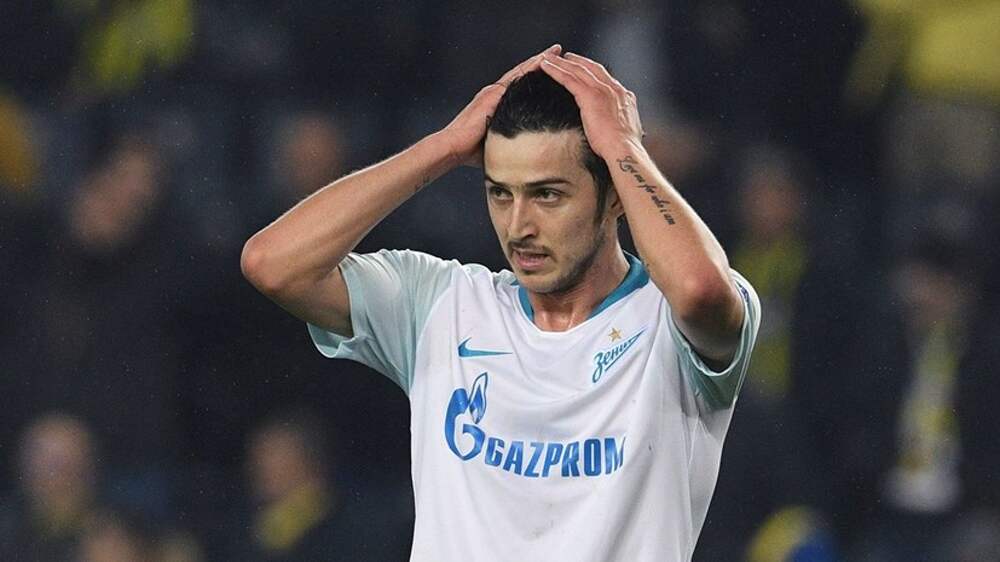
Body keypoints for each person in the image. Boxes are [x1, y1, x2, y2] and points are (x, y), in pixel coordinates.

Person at [242, 45, 761, 561]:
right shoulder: (441, 305)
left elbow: (699, 289)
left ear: (615, 197)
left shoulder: (666, 323)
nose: (518, 226)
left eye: (547, 195)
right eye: (500, 193)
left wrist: (624, 147)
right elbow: (273, 264)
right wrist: (445, 146)